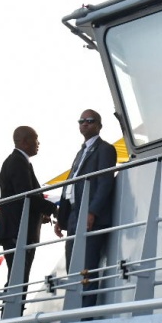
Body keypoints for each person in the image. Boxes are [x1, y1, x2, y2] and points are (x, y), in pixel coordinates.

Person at [55, 109, 116, 303]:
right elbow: (70, 185)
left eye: (90, 120)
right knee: (72, 266)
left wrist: (92, 212)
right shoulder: (80, 153)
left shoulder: (106, 149)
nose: (85, 123)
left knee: (87, 268)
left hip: (90, 217)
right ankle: (75, 313)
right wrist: (61, 217)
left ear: (99, 125)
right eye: (81, 120)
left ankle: (86, 316)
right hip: (73, 215)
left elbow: (106, 182)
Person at [0, 126, 57, 284]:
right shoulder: (17, 162)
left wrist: (40, 214)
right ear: (25, 141)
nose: (38, 143)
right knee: (18, 279)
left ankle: (12, 308)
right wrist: (53, 209)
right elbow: (25, 195)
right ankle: (11, 309)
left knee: (18, 277)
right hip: (17, 231)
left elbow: (22, 198)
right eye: (35, 139)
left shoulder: (19, 161)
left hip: (17, 229)